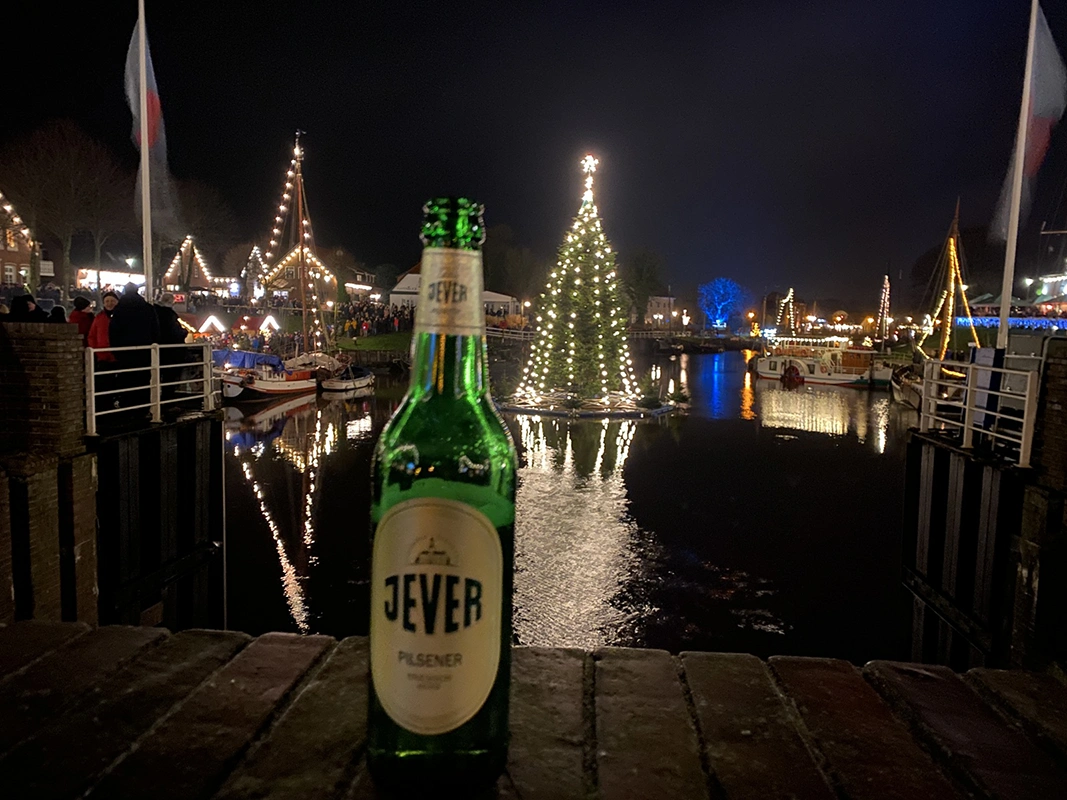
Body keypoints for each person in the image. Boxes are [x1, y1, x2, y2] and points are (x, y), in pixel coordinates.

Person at [109, 283, 159, 411]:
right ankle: (143, 406)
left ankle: (127, 406)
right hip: (144, 350)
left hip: (124, 351)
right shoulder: (147, 308)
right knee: (143, 379)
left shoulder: (119, 309)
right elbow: (155, 330)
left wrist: (115, 349)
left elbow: (113, 331)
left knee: (126, 379)